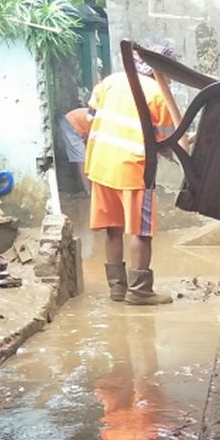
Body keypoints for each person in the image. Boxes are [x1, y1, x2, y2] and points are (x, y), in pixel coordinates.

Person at [83, 46, 178, 305]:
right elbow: (167, 139)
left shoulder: (109, 83)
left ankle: (116, 288)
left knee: (113, 228)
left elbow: (91, 118)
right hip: (134, 168)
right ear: (162, 70)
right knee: (140, 231)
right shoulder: (159, 94)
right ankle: (140, 291)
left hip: (101, 164)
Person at [60, 107, 92, 195]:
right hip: (70, 124)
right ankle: (88, 191)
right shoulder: (100, 122)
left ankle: (85, 187)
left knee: (83, 157)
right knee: (82, 160)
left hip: (76, 123)